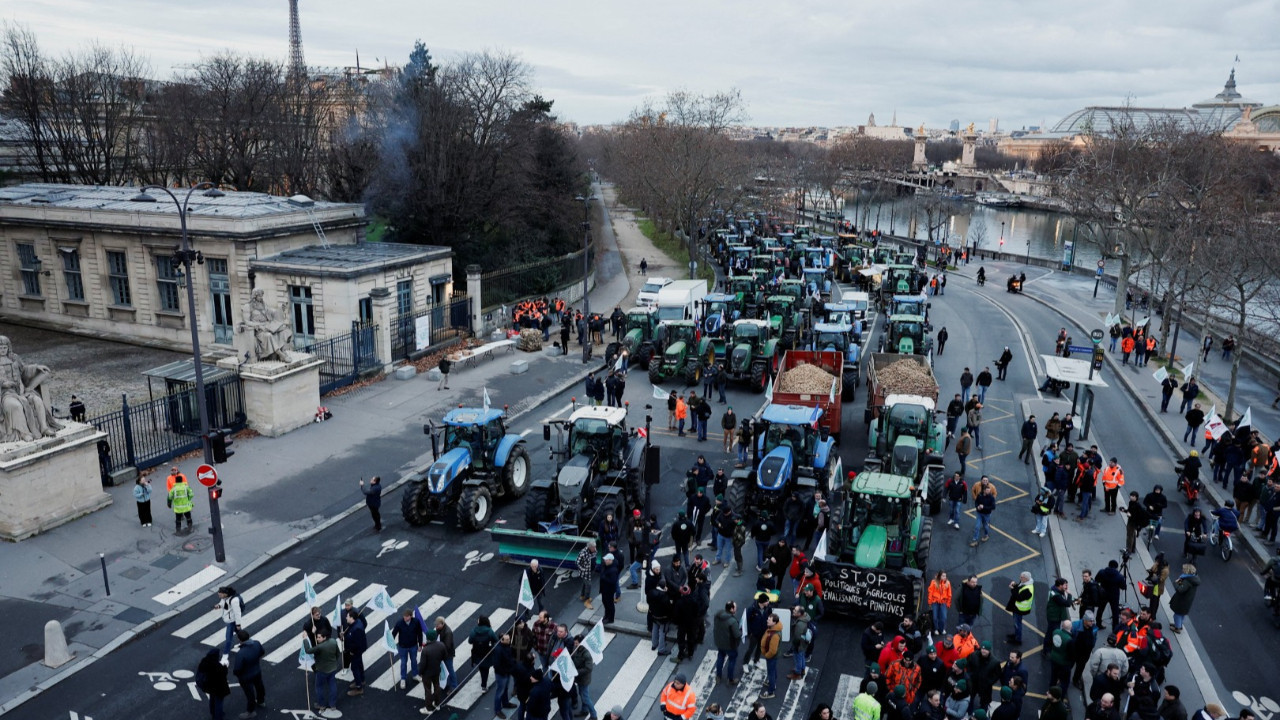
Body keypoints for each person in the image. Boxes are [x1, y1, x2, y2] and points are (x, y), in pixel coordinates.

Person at [238, 289, 294, 362]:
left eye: (262, 296)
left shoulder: (263, 304)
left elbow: (272, 312)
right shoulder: (247, 306)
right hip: (258, 330)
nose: (261, 297)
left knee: (284, 330)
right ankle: (281, 355)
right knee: (268, 335)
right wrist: (257, 325)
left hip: (268, 326)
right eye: (260, 296)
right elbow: (247, 321)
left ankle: (282, 350)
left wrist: (281, 309)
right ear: (255, 296)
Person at [303, 628, 341, 715]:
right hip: (332, 668)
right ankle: (332, 704)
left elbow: (308, 650)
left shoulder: (320, 647)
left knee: (319, 687)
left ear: (324, 638)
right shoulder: (333, 641)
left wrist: (305, 639)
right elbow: (338, 653)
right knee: (332, 685)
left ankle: (322, 705)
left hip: (322, 670)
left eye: (319, 637)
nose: (317, 639)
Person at [232, 629, 266, 716]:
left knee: (250, 693)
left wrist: (238, 674)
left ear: (240, 640)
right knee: (259, 686)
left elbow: (237, 669)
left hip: (245, 676)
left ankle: (250, 711)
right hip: (257, 671)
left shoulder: (241, 653)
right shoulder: (257, 643)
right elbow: (262, 652)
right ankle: (261, 701)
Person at [197, 647, 231, 720]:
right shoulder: (217, 666)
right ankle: (218, 716)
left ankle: (213, 712)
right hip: (218, 687)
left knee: (212, 699)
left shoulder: (204, 661)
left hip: (209, 686)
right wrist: (225, 667)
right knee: (219, 702)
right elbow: (223, 673)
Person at [393, 609, 423, 688]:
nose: (405, 618)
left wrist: (420, 645)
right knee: (403, 663)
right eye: (404, 616)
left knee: (414, 661)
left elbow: (420, 633)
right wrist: (391, 644)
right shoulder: (399, 623)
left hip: (413, 646)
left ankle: (415, 674)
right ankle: (403, 678)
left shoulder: (416, 622)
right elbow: (394, 633)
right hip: (403, 647)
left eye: (407, 616)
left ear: (410, 616)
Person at [713, 601, 740, 686]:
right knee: (732, 660)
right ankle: (730, 679)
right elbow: (737, 635)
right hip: (730, 645)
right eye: (735, 607)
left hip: (719, 642)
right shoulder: (732, 621)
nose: (736, 608)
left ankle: (718, 676)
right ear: (732, 609)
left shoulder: (718, 614)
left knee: (720, 657)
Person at [213, 587, 244, 655]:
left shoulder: (234, 601)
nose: (219, 596)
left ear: (225, 594)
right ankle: (246, 643)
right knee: (240, 633)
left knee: (228, 638)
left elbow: (237, 613)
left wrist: (238, 624)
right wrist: (218, 606)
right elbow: (223, 603)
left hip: (232, 621)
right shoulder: (224, 597)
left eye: (220, 595)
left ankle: (225, 654)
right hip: (229, 620)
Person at [1005, 571, 1034, 645]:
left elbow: (1019, 597)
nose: (1020, 578)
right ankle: (1016, 635)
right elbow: (1020, 588)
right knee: (1016, 623)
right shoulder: (1026, 583)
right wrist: (1015, 585)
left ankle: (1018, 640)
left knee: (1017, 624)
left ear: (1026, 578)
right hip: (1018, 608)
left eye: (1022, 577)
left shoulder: (1028, 589)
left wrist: (1012, 589)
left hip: (1020, 609)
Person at [1168, 564, 1199, 633]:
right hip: (1187, 601)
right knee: (1181, 615)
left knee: (1177, 615)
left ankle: (1177, 628)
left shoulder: (1187, 581)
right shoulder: (1193, 579)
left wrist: (1176, 583)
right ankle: (1179, 625)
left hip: (1182, 601)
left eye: (1183, 569)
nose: (1182, 570)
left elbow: (1180, 590)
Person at [760, 614, 782, 699]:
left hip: (771, 656)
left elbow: (773, 651)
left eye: (769, 620)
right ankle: (772, 683)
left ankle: (771, 691)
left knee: (771, 672)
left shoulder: (775, 635)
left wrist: (767, 655)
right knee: (773, 670)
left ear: (774, 622)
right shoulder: (773, 628)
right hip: (772, 656)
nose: (767, 621)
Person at [969, 482, 995, 547]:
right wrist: (977, 506)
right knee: (977, 526)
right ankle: (975, 540)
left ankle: (986, 535)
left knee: (986, 526)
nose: (989, 492)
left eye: (989, 490)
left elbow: (993, 507)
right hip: (979, 513)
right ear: (984, 491)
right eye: (987, 490)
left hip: (986, 514)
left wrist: (984, 507)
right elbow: (976, 502)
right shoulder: (979, 495)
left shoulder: (991, 498)